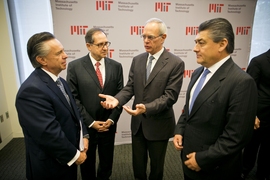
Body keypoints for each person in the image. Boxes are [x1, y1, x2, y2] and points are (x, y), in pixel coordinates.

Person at [99, 18, 185, 180]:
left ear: (163, 37)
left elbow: (170, 97)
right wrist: (117, 100)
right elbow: (130, 87)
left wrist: (146, 108)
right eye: (144, 36)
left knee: (156, 169)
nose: (146, 41)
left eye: (150, 37)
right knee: (138, 167)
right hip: (138, 125)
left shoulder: (175, 63)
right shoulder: (137, 60)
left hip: (159, 125)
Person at [173, 18, 258, 180]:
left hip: (215, 169)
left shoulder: (242, 83)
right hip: (188, 159)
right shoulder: (197, 73)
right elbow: (189, 110)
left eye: (201, 43)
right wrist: (180, 129)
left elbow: (237, 137)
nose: (194, 48)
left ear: (222, 44)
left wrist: (202, 159)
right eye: (195, 42)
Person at [15, 32, 89, 180]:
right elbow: (48, 134)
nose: (66, 55)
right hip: (50, 167)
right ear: (42, 60)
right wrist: (75, 155)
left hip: (66, 161)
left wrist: (84, 135)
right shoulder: (31, 91)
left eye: (63, 50)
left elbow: (75, 113)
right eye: (59, 53)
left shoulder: (61, 81)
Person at [66, 28, 123, 180]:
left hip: (108, 126)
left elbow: (120, 96)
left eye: (106, 43)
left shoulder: (116, 66)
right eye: (100, 44)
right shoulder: (74, 67)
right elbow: (73, 99)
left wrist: (111, 120)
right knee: (87, 165)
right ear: (88, 46)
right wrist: (90, 122)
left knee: (106, 164)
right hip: (86, 127)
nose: (105, 48)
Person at [241, 49, 270, 180]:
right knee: (251, 147)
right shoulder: (259, 61)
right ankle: (244, 171)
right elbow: (248, 90)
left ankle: (262, 174)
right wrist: (252, 115)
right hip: (259, 115)